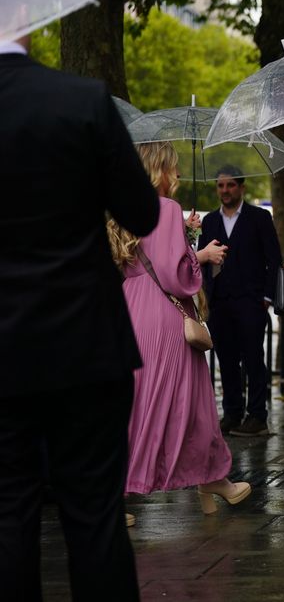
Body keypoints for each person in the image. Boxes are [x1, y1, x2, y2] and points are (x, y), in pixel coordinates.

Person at [0, 32, 158, 600]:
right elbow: (140, 213)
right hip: (84, 339)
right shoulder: (81, 99)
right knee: (94, 512)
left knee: (7, 512)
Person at [107, 141, 252, 517]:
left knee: (140, 401)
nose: (177, 175)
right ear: (158, 171)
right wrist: (199, 257)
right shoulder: (167, 207)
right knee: (183, 401)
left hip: (131, 309)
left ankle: (209, 479)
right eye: (172, 168)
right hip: (164, 318)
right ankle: (208, 479)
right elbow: (176, 275)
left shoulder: (121, 209)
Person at [199, 165, 282, 436]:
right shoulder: (209, 221)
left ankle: (257, 415)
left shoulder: (259, 217)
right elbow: (201, 261)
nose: (225, 190)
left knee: (253, 359)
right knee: (226, 358)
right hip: (220, 302)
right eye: (221, 186)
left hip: (251, 301)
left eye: (230, 185)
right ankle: (232, 413)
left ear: (241, 187)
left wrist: (267, 298)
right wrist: (205, 296)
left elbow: (274, 260)